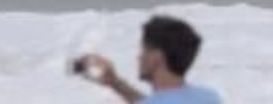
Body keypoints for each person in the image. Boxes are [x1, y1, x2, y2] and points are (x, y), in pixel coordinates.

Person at [74, 15, 221, 104]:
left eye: (144, 50)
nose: (139, 57)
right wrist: (115, 83)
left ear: (157, 57)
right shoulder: (209, 97)